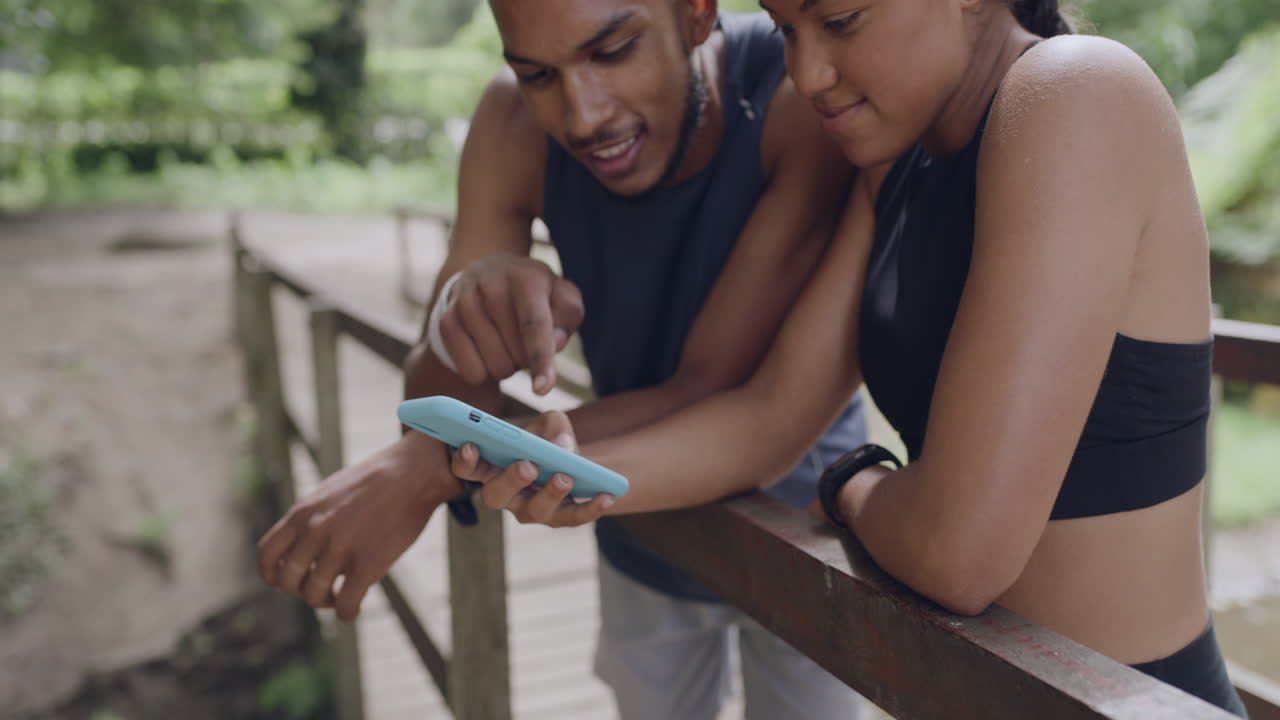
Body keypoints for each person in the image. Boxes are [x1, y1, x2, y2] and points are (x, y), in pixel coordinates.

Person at [453, 0, 1249, 715]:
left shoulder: (1077, 92)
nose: (805, 74)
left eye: (838, 22)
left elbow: (957, 551)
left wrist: (852, 483)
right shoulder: (892, 171)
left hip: (1127, 698)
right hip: (967, 690)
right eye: (785, 29)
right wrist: (562, 465)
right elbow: (767, 416)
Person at [257, 1, 871, 717]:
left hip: (803, 533)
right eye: (537, 74)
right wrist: (469, 305)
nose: (582, 117)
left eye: (612, 52)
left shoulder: (796, 94)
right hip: (636, 528)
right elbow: (434, 397)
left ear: (696, 13)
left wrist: (432, 465)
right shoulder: (510, 121)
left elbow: (711, 385)